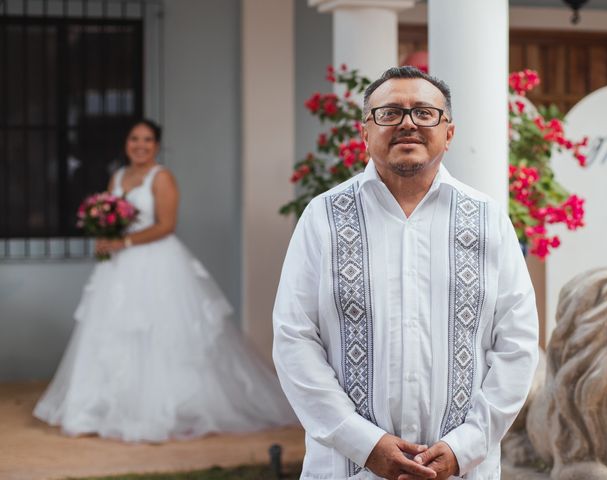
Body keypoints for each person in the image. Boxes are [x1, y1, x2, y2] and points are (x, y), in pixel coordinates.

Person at [272, 67, 539, 480]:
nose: (408, 123)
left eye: (424, 113)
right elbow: (294, 340)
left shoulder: (488, 220)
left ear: (448, 132)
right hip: (346, 468)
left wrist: (461, 448)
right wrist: (364, 444)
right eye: (390, 113)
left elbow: (517, 345)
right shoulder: (322, 217)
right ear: (365, 132)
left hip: (461, 470)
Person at [34, 119, 297, 442]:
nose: (140, 145)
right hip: (117, 268)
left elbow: (165, 225)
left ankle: (159, 409)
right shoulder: (117, 176)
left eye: (147, 140)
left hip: (156, 263)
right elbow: (112, 218)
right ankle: (106, 407)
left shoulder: (162, 177)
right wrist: (105, 236)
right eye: (134, 139)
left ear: (157, 146)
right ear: (126, 143)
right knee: (112, 333)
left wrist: (124, 242)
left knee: (158, 333)